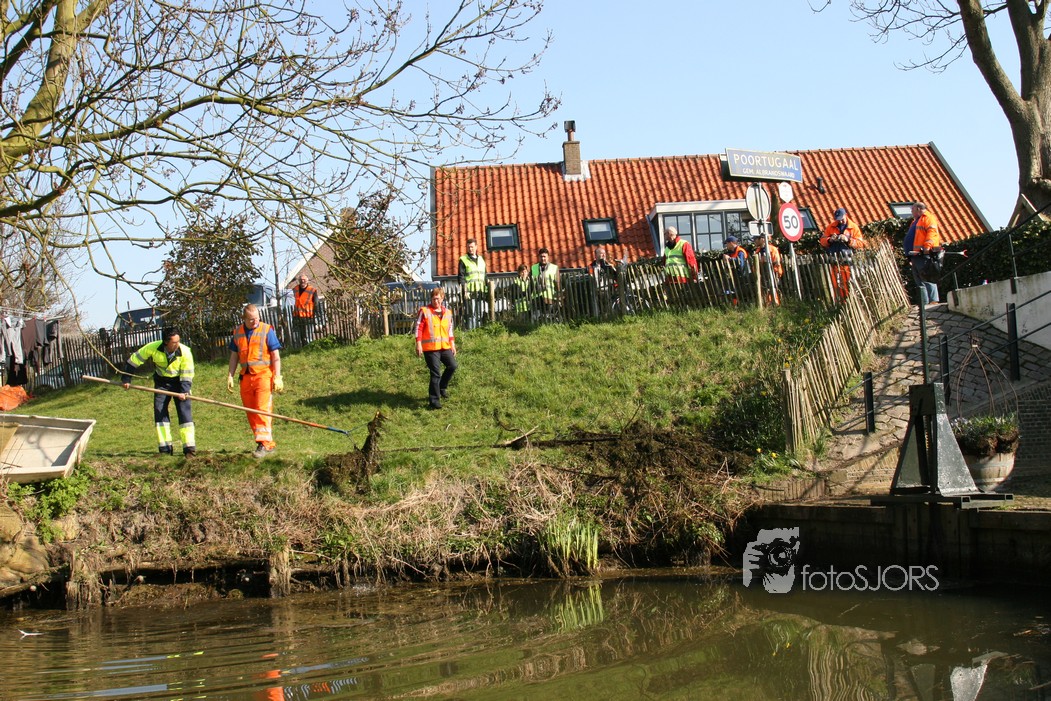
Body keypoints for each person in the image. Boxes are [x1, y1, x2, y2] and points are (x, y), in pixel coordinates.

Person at [122, 327, 196, 456]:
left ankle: (189, 449)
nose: (177, 344)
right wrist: (126, 379)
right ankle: (165, 449)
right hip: (162, 384)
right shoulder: (153, 347)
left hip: (180, 383)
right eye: (174, 342)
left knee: (185, 414)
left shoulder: (185, 351)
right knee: (160, 412)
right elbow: (133, 360)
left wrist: (184, 391)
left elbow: (187, 373)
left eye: (178, 341)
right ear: (166, 342)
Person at [228, 304, 284, 458]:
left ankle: (264, 444)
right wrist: (230, 375)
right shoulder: (237, 332)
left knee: (262, 409)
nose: (255, 321)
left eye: (257, 318)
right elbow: (234, 356)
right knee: (251, 411)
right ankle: (265, 442)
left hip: (263, 376)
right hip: (246, 378)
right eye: (251, 319)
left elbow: (275, 355)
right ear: (244, 318)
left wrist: (278, 376)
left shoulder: (266, 330)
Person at [414, 287, 457, 410]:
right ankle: (434, 401)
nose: (436, 301)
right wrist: (418, 343)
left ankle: (442, 388)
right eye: (433, 299)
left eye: (438, 299)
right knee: (435, 373)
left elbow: (449, 330)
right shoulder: (425, 311)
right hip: (430, 348)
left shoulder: (448, 312)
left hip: (444, 346)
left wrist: (452, 344)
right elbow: (418, 328)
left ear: (442, 298)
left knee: (452, 366)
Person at [820, 207, 864, 300]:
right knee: (835, 283)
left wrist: (848, 240)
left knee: (848, 282)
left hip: (848, 262)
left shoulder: (853, 227)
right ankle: (839, 301)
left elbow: (860, 244)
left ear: (846, 215)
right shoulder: (830, 227)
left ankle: (849, 300)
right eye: (838, 219)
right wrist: (830, 240)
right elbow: (822, 241)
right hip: (834, 261)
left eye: (841, 219)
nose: (840, 221)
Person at [909, 201, 943, 305]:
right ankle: (924, 303)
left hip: (924, 254)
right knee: (919, 280)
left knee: (927, 276)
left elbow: (932, 234)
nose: (911, 212)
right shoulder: (916, 221)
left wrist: (927, 247)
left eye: (912, 210)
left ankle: (933, 300)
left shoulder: (928, 218)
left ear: (918, 209)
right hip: (916, 254)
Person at [457, 238, 487, 330]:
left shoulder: (481, 259)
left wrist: (486, 290)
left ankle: (478, 332)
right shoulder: (463, 260)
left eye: (472, 247)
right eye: (468, 247)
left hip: (480, 291)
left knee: (479, 313)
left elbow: (485, 276)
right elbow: (461, 277)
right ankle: (471, 332)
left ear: (476, 247)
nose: (470, 249)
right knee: (471, 314)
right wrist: (464, 291)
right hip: (470, 292)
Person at [531, 247, 561, 320]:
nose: (543, 258)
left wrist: (558, 296)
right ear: (539, 257)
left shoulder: (554, 267)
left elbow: (557, 283)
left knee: (549, 317)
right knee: (536, 318)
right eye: (541, 256)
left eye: (544, 256)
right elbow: (531, 283)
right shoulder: (534, 268)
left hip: (550, 297)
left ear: (548, 257)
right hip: (537, 297)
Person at [753, 234, 783, 304]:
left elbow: (777, 262)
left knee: (772, 288)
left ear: (762, 239)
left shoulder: (772, 249)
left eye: (756, 239)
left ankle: (775, 303)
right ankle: (768, 304)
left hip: (773, 272)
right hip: (763, 273)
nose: (754, 241)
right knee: (765, 289)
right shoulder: (758, 250)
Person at [588, 245, 617, 317]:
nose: (604, 255)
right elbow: (589, 277)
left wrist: (611, 268)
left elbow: (615, 276)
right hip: (595, 290)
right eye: (601, 253)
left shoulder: (608, 265)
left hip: (607, 289)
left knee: (607, 306)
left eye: (604, 253)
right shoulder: (591, 266)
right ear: (596, 255)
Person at [292, 273, 320, 345]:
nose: (302, 281)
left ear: (307, 281)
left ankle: (308, 349)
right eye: (301, 280)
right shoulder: (294, 290)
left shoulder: (312, 290)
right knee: (298, 337)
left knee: (308, 337)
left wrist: (316, 315)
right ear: (299, 280)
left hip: (308, 317)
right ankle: (299, 350)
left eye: (304, 279)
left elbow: (316, 303)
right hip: (297, 317)